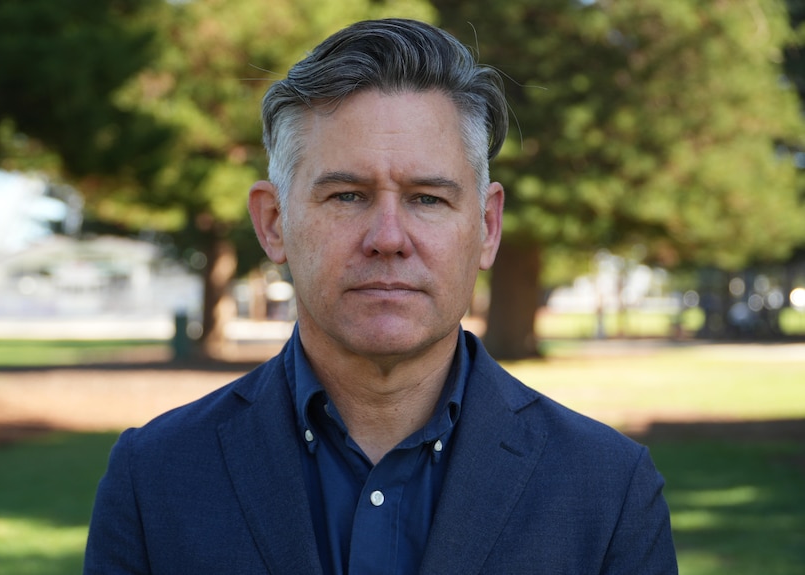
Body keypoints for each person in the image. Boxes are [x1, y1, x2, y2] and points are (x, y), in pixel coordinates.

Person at [84, 18, 678, 574]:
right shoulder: (154, 478)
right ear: (272, 223)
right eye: (346, 195)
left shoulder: (609, 491)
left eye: (428, 198)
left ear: (488, 227)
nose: (388, 239)